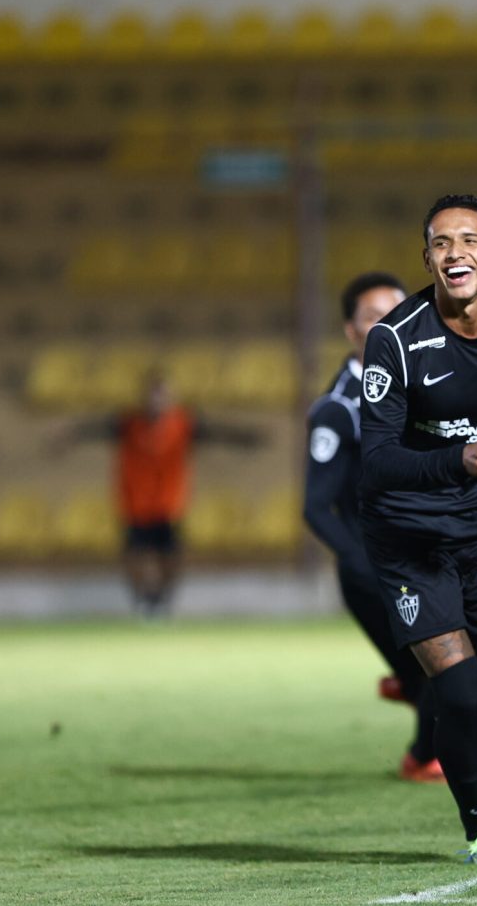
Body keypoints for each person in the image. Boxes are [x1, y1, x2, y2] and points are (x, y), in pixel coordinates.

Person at [359, 193, 477, 867]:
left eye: (468, 240)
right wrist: (456, 460)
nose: (454, 253)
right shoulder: (397, 339)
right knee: (462, 693)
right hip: (412, 545)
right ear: (428, 259)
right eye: (440, 243)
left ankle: (447, 710)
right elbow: (376, 461)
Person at [303, 271, 444, 784]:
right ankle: (423, 755)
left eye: (399, 312)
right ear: (351, 331)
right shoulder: (339, 410)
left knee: (458, 658)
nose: (390, 325)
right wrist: (369, 565)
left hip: (430, 552)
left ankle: (409, 685)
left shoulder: (428, 387)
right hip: (379, 566)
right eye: (374, 316)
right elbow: (316, 508)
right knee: (449, 660)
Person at [56, 369, 261, 616]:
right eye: (154, 395)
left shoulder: (183, 422)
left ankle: (163, 600)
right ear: (145, 397)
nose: (157, 401)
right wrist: (69, 435)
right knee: (134, 555)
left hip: (168, 502)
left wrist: (246, 438)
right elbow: (94, 429)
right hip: (136, 501)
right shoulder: (128, 424)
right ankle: (142, 598)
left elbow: (217, 432)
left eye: (162, 395)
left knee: (170, 556)